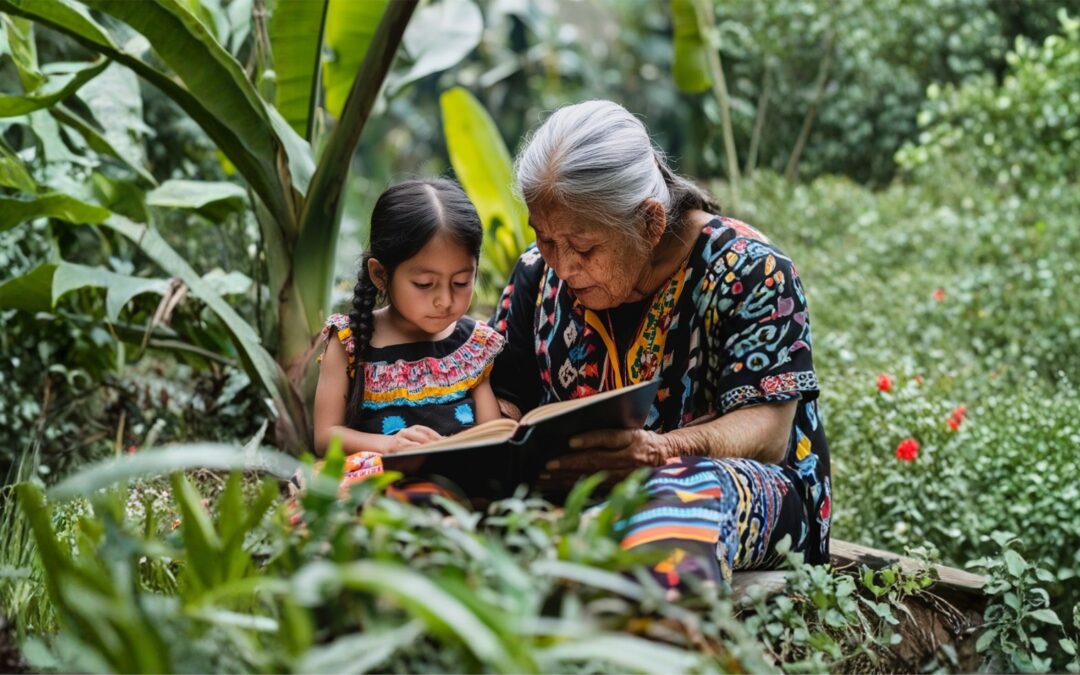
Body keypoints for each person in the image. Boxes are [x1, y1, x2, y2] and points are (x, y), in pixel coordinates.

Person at [490, 100, 831, 591]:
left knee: (682, 492)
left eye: (584, 248)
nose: (562, 267)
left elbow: (769, 431)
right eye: (545, 240)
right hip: (584, 491)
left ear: (650, 223)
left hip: (742, 491)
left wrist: (662, 451)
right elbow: (506, 394)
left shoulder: (751, 271)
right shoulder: (535, 274)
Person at [312, 179, 504, 491]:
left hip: (454, 483)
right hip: (377, 479)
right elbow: (325, 437)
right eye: (425, 284)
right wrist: (389, 446)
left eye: (460, 282)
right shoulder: (349, 341)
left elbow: (493, 434)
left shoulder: (473, 345)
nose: (445, 300)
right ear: (380, 274)